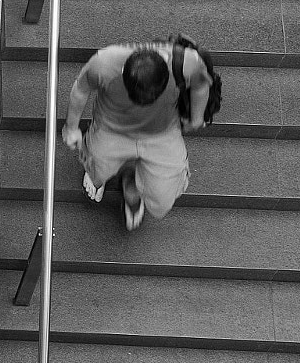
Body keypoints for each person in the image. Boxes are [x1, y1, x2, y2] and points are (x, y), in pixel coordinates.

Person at [61, 39, 212, 231]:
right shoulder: (104, 64)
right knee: (96, 169)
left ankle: (133, 179)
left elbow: (200, 86)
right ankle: (113, 173)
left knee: (161, 201)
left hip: (161, 133)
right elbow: (81, 89)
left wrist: (197, 118)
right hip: (111, 129)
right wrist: (71, 127)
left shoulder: (186, 63)